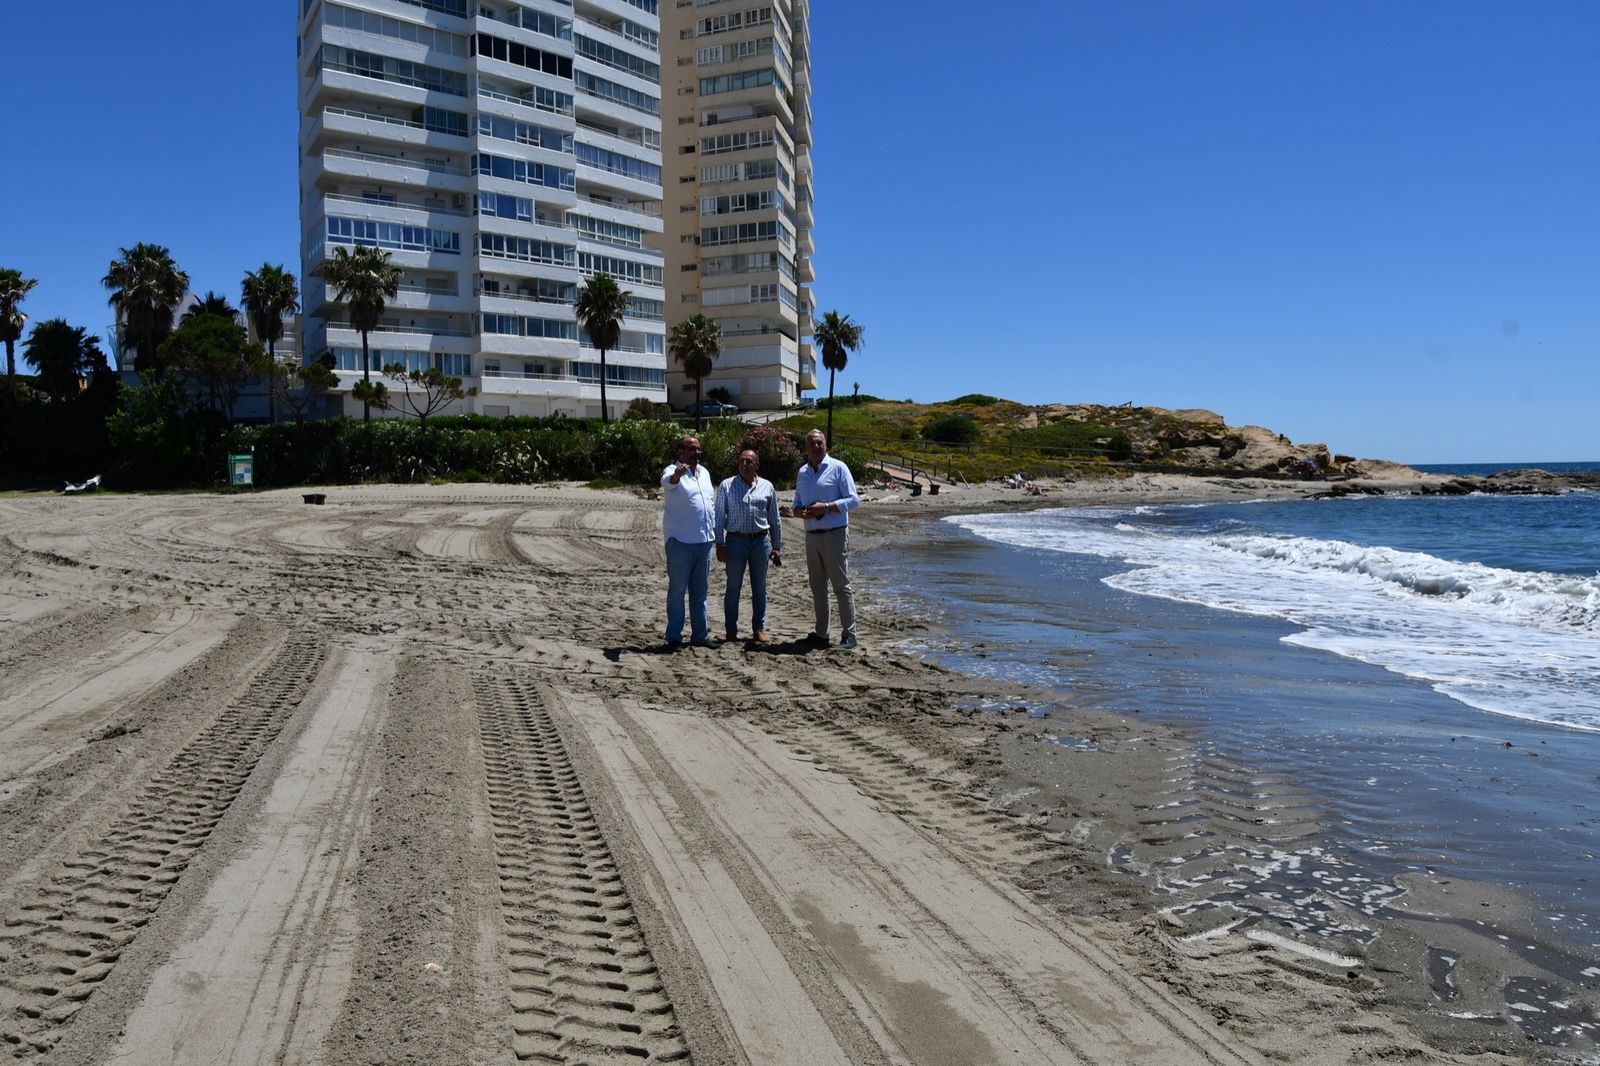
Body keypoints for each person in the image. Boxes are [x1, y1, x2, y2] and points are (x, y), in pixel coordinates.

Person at [785, 429, 860, 649]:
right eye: (811, 443)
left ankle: (849, 635)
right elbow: (797, 503)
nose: (816, 447)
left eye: (819, 443)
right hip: (811, 536)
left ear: (825, 444)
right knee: (818, 588)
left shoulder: (838, 467)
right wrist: (799, 512)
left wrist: (826, 507)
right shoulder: (803, 472)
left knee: (841, 587)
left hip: (834, 534)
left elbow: (854, 501)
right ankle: (821, 633)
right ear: (806, 447)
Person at [715, 449, 783, 643]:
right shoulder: (727, 486)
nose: (744, 464)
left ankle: (758, 628)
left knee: (759, 587)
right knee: (733, 587)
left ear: (756, 465)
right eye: (742, 461)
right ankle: (730, 630)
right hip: (735, 541)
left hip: (761, 541)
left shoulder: (767, 486)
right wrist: (719, 544)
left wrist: (777, 546)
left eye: (749, 461)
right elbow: (719, 517)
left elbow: (774, 518)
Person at [660, 435, 716, 647]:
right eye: (691, 449)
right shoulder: (671, 471)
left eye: (698, 449)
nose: (696, 453)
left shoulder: (705, 473)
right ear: (680, 452)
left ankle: (700, 636)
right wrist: (677, 475)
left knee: (700, 592)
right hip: (680, 542)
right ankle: (674, 637)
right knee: (677, 591)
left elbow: (709, 503)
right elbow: (668, 482)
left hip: (704, 542)